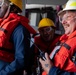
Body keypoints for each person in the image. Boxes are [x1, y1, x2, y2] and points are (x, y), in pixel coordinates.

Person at [39, 0, 76, 75]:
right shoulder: (64, 40)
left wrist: (51, 70)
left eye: (68, 17)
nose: (63, 22)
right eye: (62, 18)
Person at [0, 0, 37, 75]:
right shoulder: (3, 24)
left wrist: (3, 73)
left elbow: (21, 60)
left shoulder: (20, 30)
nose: (0, 6)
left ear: (13, 8)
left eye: (2, 3)